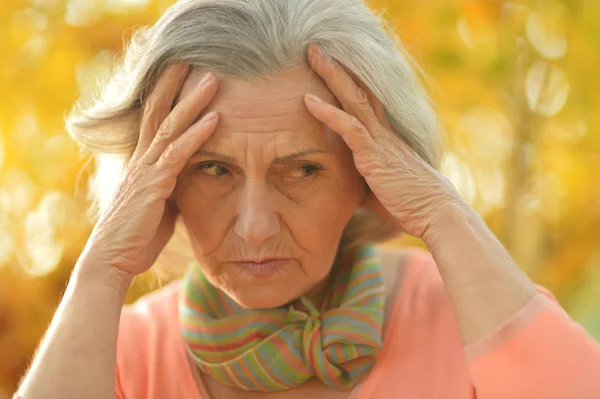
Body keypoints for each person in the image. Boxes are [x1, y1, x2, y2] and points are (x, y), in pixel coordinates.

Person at [14, 0, 600, 398]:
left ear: (371, 175)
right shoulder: (124, 354)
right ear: (158, 182)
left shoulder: (466, 315)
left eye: (302, 170)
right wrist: (100, 273)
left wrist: (443, 215)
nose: (254, 228)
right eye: (212, 168)